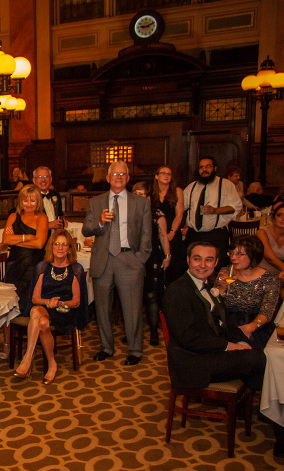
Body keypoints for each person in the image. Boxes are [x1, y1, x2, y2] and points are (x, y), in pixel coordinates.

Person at [162, 242, 265, 391]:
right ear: (188, 259)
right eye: (197, 259)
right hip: (193, 362)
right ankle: (265, 409)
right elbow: (188, 338)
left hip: (213, 354)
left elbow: (228, 324)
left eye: (209, 260)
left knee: (258, 356)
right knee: (260, 359)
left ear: (216, 262)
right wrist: (229, 346)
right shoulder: (177, 292)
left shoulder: (209, 287)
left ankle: (251, 408)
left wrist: (242, 343)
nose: (203, 265)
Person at [82, 161, 152, 365]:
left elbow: (147, 235)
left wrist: (140, 260)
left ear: (128, 178)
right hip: (103, 259)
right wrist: (100, 221)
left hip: (129, 259)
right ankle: (106, 347)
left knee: (132, 308)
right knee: (102, 308)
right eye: (115, 174)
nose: (119, 177)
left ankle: (135, 350)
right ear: (108, 178)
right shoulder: (96, 202)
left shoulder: (141, 203)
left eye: (123, 174)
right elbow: (87, 229)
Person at [12, 230, 86, 384]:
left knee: (42, 322)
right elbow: (35, 298)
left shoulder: (75, 269)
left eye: (64, 244)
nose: (60, 248)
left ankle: (29, 359)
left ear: (69, 248)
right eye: (56, 244)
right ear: (51, 247)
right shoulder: (42, 267)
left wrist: (59, 303)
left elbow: (77, 301)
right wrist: (48, 302)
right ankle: (49, 363)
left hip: (65, 311)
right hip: (46, 307)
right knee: (39, 315)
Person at [0, 185, 49, 358]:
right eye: (25, 200)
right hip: (14, 265)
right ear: (20, 201)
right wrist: (28, 237)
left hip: (34, 266)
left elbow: (40, 244)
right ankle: (7, 345)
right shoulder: (13, 216)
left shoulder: (42, 217)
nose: (29, 203)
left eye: (32, 200)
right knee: (8, 306)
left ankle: (30, 345)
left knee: (29, 305)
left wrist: (17, 241)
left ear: (37, 201)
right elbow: (6, 240)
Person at [214, 236, 278, 350]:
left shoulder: (269, 278)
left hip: (257, 324)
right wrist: (222, 288)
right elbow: (214, 307)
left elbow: (267, 310)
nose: (233, 257)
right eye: (231, 253)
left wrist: (252, 326)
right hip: (228, 324)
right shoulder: (226, 273)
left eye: (239, 254)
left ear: (253, 255)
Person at [180, 156, 241, 262]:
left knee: (218, 267)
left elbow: (235, 207)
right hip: (194, 235)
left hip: (216, 235)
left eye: (208, 166)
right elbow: (181, 208)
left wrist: (215, 210)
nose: (204, 170)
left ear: (215, 168)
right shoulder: (191, 187)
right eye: (201, 167)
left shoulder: (226, 185)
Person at [133, 181, 171, 346]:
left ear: (149, 197)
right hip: (133, 259)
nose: (140, 198)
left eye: (143, 194)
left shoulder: (157, 214)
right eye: (137, 194)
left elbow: (163, 236)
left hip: (153, 258)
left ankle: (154, 331)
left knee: (151, 296)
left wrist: (168, 255)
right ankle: (132, 332)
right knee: (133, 296)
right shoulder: (128, 214)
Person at [257, 201, 284, 289]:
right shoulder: (262, 233)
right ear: (273, 218)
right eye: (279, 215)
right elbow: (269, 258)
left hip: (279, 273)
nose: (283, 218)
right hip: (258, 273)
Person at [32, 167, 65, 233]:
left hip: (55, 238)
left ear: (51, 179)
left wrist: (61, 224)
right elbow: (27, 224)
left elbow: (60, 215)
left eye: (46, 176)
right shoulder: (30, 198)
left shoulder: (56, 195)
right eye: (40, 176)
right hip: (39, 238)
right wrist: (48, 225)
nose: (43, 180)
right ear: (34, 180)